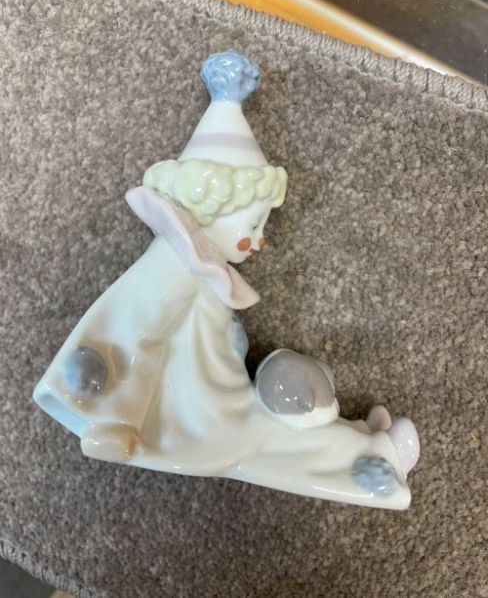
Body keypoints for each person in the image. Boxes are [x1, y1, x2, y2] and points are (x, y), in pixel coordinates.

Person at [34, 49, 418, 509]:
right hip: (201, 412)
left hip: (217, 394)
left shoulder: (195, 267)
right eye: (254, 224)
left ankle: (365, 446)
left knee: (273, 430)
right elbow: (134, 339)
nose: (260, 239)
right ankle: (376, 462)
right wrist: (118, 423)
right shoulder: (172, 269)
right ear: (210, 213)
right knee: (268, 439)